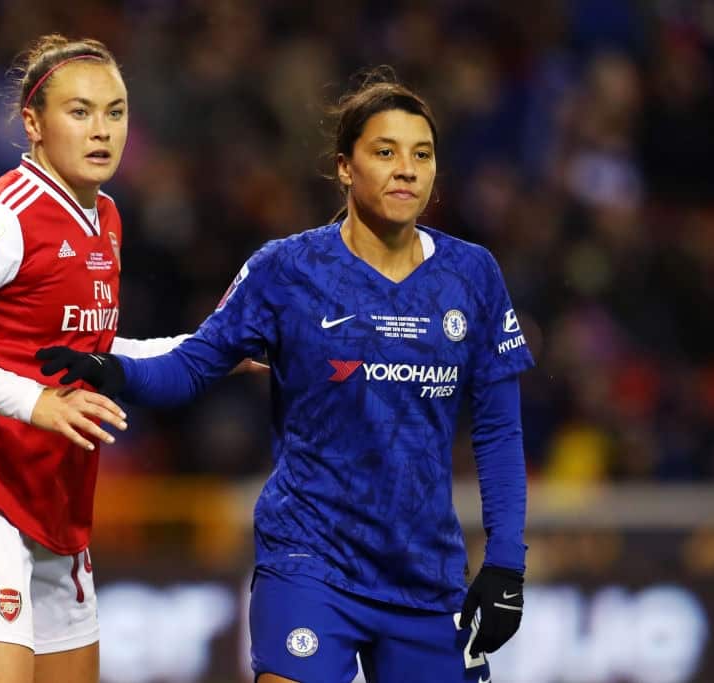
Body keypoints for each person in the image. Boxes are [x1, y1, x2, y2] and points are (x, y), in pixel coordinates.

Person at [36, 68, 534, 682]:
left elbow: (499, 431)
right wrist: (113, 370)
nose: (406, 169)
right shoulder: (287, 270)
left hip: (425, 574)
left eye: (422, 154)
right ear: (345, 167)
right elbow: (195, 365)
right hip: (310, 560)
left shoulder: (472, 275)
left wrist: (506, 563)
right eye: (385, 152)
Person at [0, 34, 189, 683]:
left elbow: (87, 353)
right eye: (80, 111)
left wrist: (219, 352)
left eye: (115, 111)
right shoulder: (2, 215)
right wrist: (34, 401)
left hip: (52, 504)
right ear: (33, 122)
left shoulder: (106, 218)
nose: (102, 129)